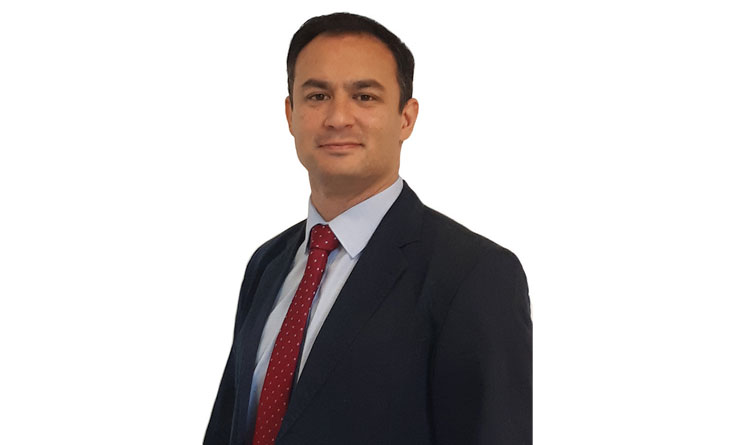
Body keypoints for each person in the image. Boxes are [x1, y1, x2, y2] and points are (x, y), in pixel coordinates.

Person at [204, 12, 531, 445]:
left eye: (364, 96)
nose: (338, 117)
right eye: (318, 96)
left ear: (406, 118)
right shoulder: (267, 263)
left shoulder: (474, 274)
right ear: (290, 114)